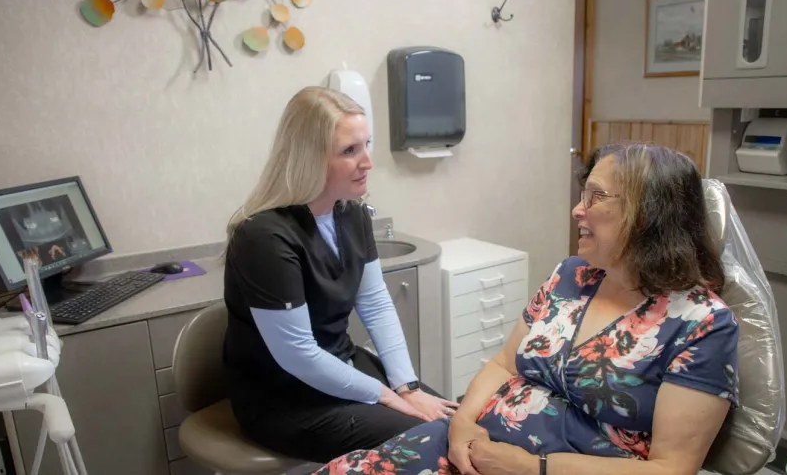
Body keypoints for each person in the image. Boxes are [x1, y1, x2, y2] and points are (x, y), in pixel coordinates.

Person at [312, 142, 740, 475]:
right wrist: (461, 425)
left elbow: (672, 468)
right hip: (476, 444)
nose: (577, 210)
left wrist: (531, 468)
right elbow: (503, 363)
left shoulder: (701, 325)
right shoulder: (572, 276)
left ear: (649, 216)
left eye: (595, 197)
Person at [222, 86, 458, 462]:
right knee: (428, 442)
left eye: (367, 144)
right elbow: (298, 355)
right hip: (284, 399)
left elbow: (376, 303)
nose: (368, 162)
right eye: (350, 151)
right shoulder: (264, 237)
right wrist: (387, 395)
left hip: (340, 365)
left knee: (453, 427)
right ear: (309, 159)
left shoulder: (352, 213)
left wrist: (408, 386)